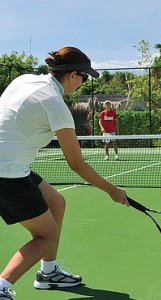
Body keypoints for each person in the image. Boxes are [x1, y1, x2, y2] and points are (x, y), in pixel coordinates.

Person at [0, 46, 128, 300]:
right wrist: (112, 191)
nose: (83, 83)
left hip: (11, 165)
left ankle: (48, 273)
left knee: (56, 202)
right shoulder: (55, 104)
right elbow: (77, 163)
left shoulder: (23, 80)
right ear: (71, 75)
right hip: (6, 173)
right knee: (47, 236)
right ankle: (2, 286)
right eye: (84, 77)